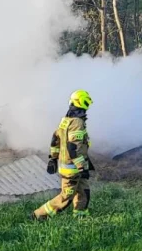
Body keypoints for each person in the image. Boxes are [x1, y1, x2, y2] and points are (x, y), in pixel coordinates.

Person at [33, 90, 95, 221]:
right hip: (72, 168)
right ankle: (39, 215)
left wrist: (53, 158)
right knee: (66, 196)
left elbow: (55, 139)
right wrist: (81, 167)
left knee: (83, 190)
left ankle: (80, 216)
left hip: (69, 164)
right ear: (83, 102)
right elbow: (73, 147)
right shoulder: (77, 122)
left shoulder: (66, 120)